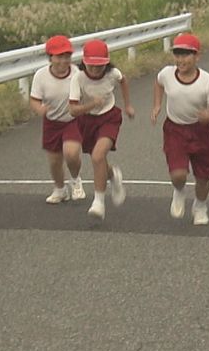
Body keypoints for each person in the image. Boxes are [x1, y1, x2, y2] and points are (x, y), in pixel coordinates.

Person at [151, 33, 209, 225]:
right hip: (175, 130)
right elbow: (158, 84)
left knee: (203, 176)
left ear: (197, 56)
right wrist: (157, 105)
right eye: (178, 55)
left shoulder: (206, 80)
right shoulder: (167, 74)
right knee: (178, 174)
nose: (181, 60)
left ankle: (200, 205)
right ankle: (179, 191)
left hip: (200, 131)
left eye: (186, 55)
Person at [69, 39, 135, 221]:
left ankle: (98, 202)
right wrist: (90, 104)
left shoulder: (113, 73)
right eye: (91, 66)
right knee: (99, 161)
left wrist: (128, 105)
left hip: (109, 117)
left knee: (98, 155)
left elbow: (123, 81)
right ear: (84, 63)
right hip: (87, 120)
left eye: (99, 66)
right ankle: (113, 174)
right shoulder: (78, 78)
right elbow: (73, 110)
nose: (95, 70)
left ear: (106, 63)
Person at [29, 35, 85, 204]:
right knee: (54, 161)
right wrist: (39, 109)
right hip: (52, 121)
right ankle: (60, 189)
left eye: (67, 56)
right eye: (59, 56)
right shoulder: (41, 76)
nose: (63, 61)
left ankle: (76, 180)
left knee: (71, 152)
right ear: (50, 58)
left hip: (73, 119)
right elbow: (34, 99)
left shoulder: (77, 73)